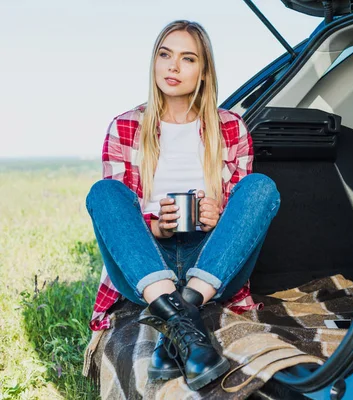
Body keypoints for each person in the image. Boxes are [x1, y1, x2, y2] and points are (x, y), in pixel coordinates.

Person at [85, 20, 280, 391]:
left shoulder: (232, 128)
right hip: (146, 263)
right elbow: (120, 216)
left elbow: (242, 211)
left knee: (261, 188)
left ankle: (178, 313)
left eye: (187, 59)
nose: (173, 67)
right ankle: (181, 319)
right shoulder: (124, 126)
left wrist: (217, 216)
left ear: (204, 72)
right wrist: (156, 226)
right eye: (165, 55)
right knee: (103, 194)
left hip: (211, 263)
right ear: (155, 62)